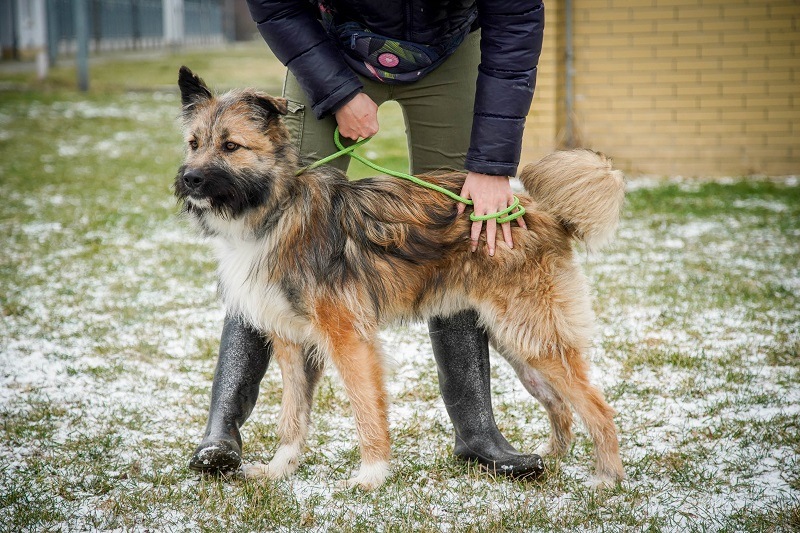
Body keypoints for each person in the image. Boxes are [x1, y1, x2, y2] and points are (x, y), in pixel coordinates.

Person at [189, 0, 545, 479]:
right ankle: (223, 427)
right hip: (331, 45)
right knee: (261, 219)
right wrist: (335, 91)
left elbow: (516, 17)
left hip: (449, 47)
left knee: (464, 225)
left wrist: (491, 166)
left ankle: (477, 434)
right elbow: (276, 6)